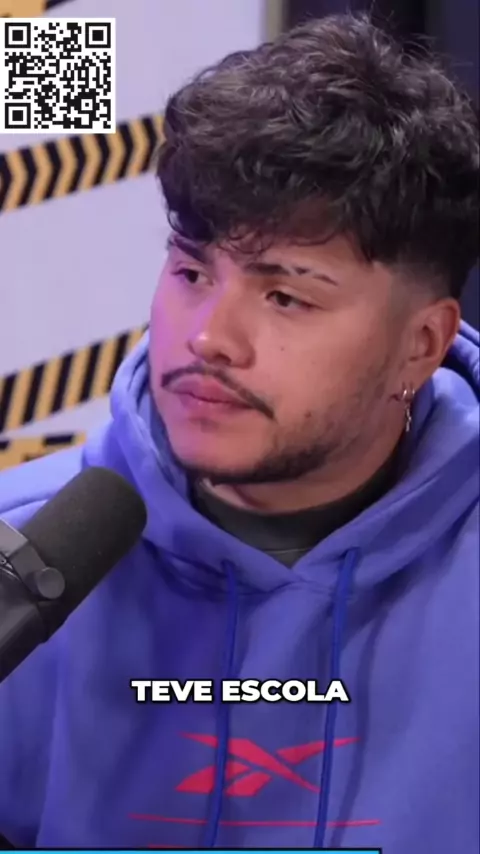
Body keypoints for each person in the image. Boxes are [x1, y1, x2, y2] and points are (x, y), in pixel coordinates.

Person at [0, 12, 478, 852]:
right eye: (191, 270)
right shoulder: (21, 558)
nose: (208, 337)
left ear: (422, 343)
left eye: (286, 296)